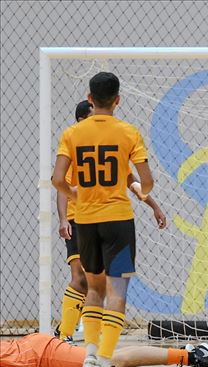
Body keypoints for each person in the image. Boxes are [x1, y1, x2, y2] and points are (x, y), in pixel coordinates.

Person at [52, 72, 154, 367]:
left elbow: (57, 179)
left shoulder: (72, 133)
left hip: (85, 221)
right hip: (118, 221)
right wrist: (141, 189)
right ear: (118, 100)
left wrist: (76, 195)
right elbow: (147, 182)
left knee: (93, 289)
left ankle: (91, 357)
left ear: (90, 98)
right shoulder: (128, 132)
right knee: (117, 291)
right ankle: (106, 365)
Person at [55, 100, 167, 344]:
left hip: (104, 219)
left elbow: (132, 182)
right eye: (92, 115)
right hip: (80, 219)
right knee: (83, 280)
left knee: (100, 284)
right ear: (83, 120)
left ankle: (77, 336)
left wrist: (154, 206)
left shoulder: (110, 146)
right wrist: (63, 219)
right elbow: (61, 186)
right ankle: (65, 337)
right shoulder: (78, 148)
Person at [0, 333, 208, 367]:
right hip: (34, 350)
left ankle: (194, 356)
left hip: (41, 354)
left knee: (113, 363)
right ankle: (186, 353)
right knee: (113, 359)